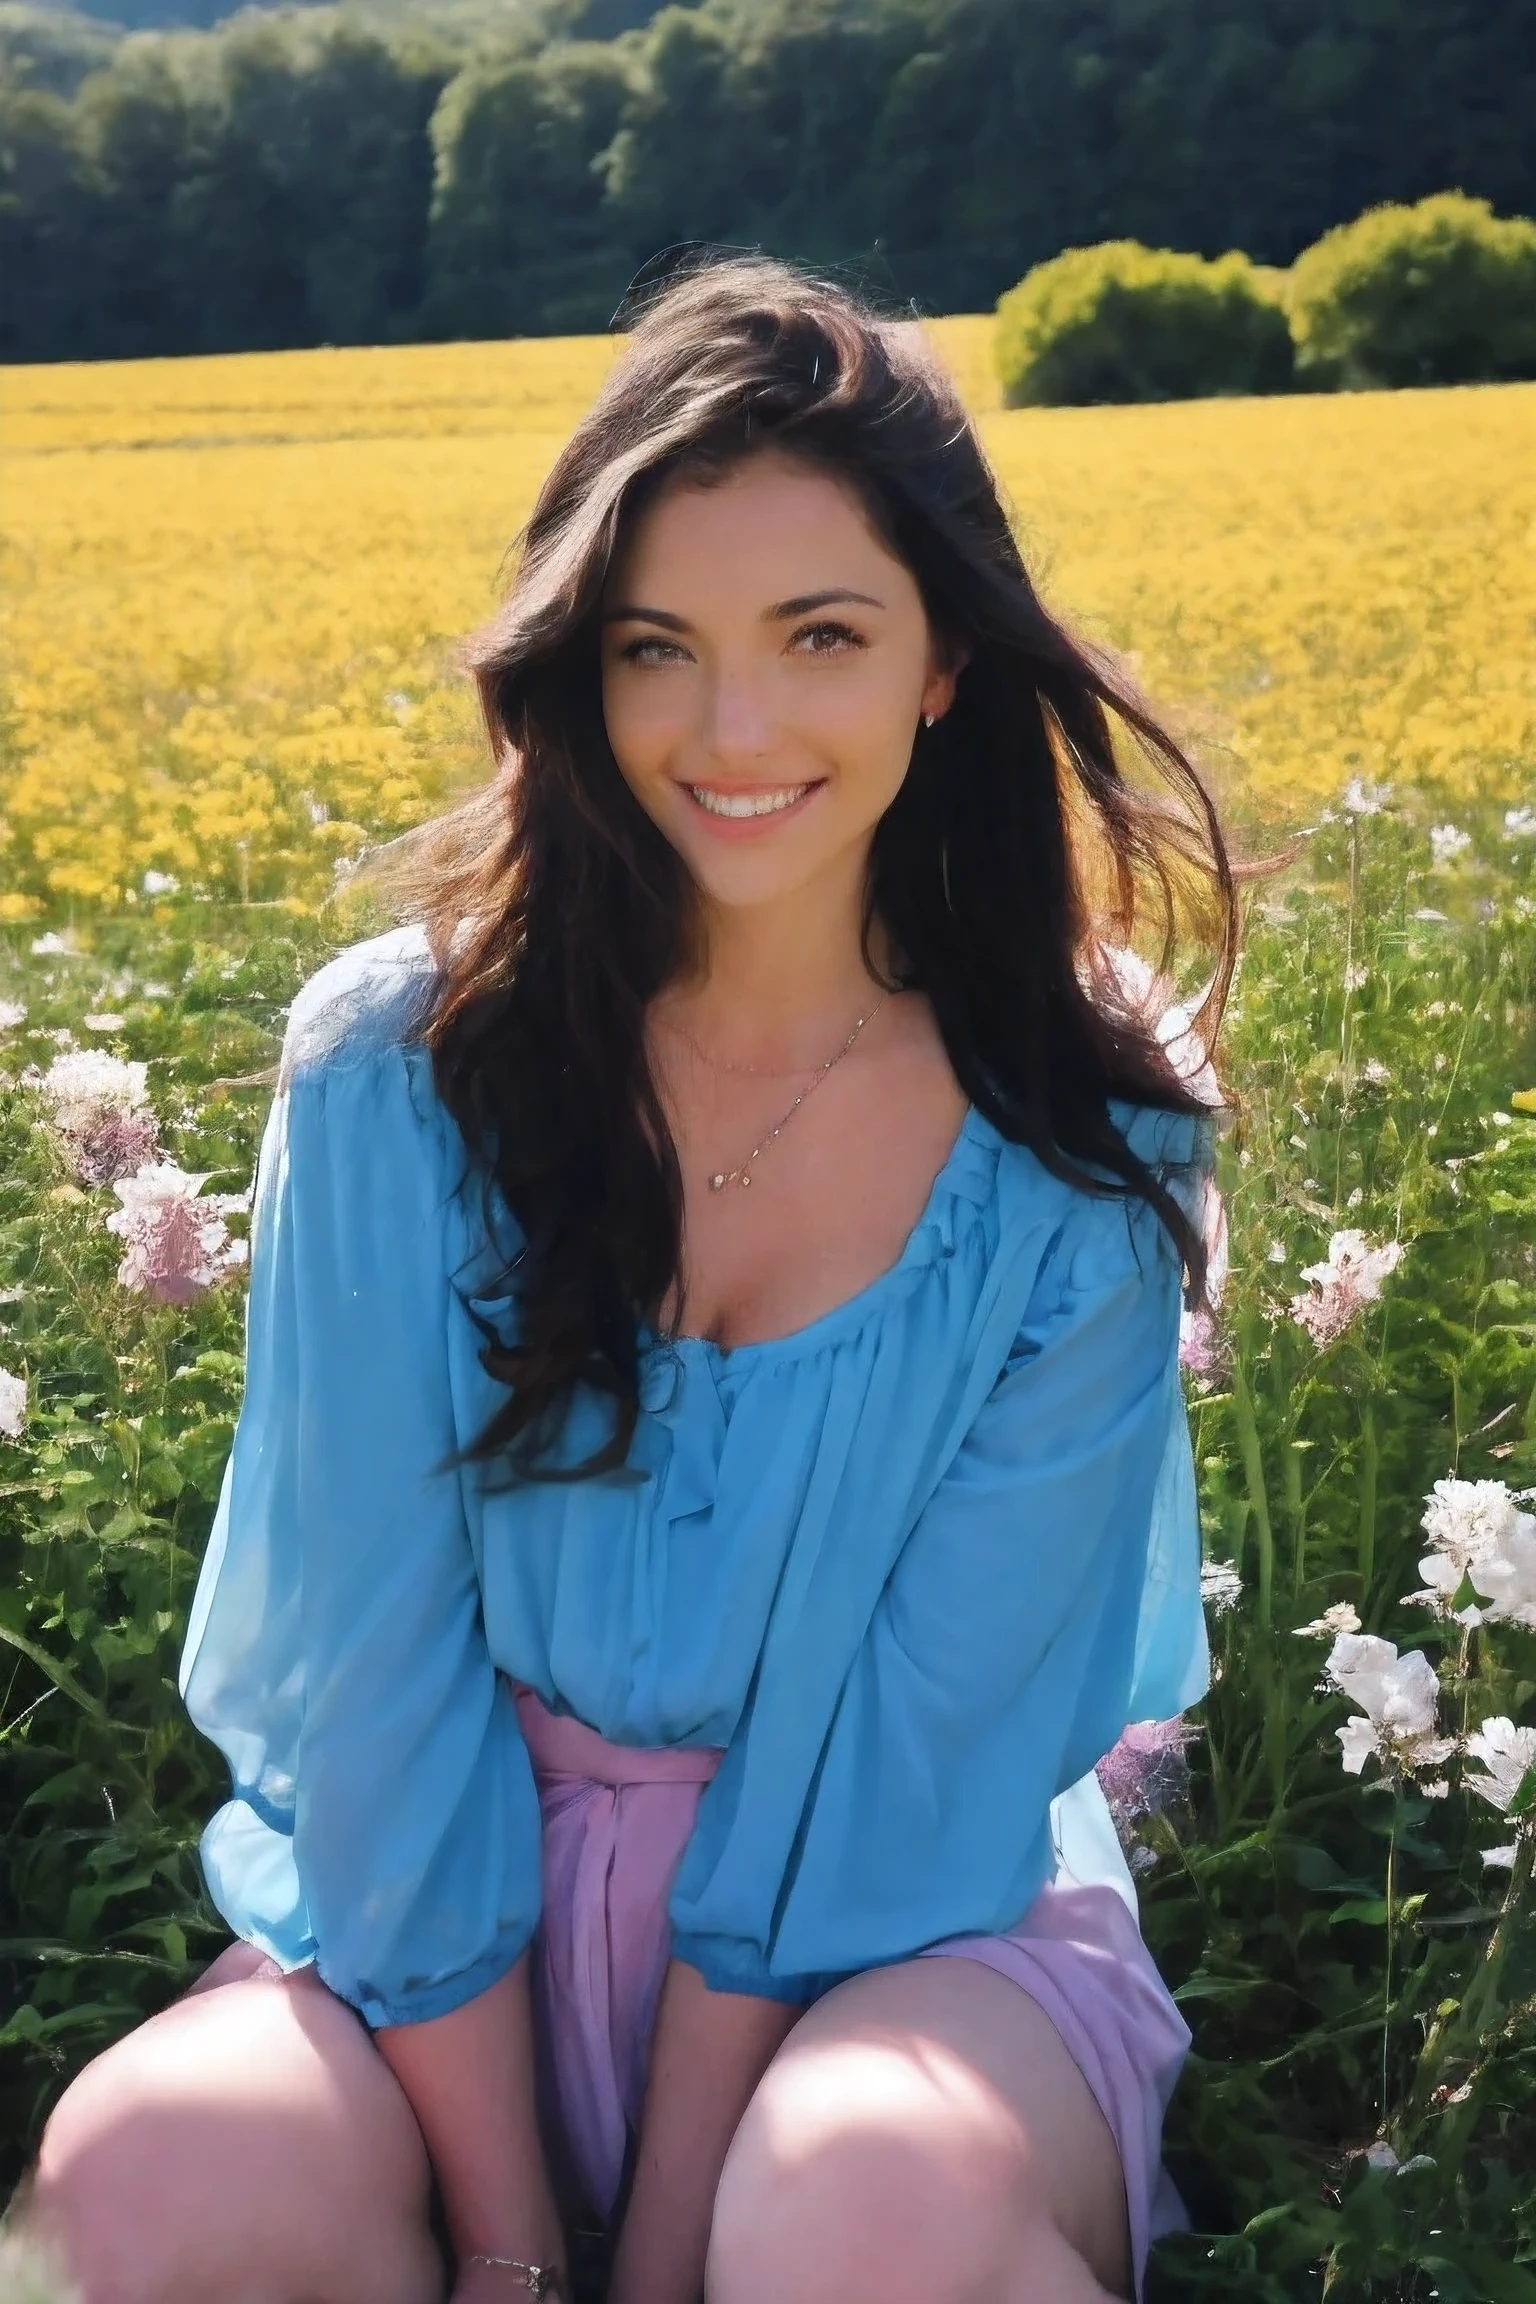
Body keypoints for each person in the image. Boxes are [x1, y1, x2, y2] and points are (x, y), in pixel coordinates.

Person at [14, 250, 1268, 2304]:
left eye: (822, 635)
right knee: (148, 2168)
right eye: (655, 646)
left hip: (901, 1954)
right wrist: (515, 2254)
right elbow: (376, 1677)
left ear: (945, 660)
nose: (734, 726)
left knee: (852, 2214)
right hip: (444, 1942)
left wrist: (669, 2250)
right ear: (576, 671)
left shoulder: (1080, 1126)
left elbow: (920, 1758)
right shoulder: (395, 1073)